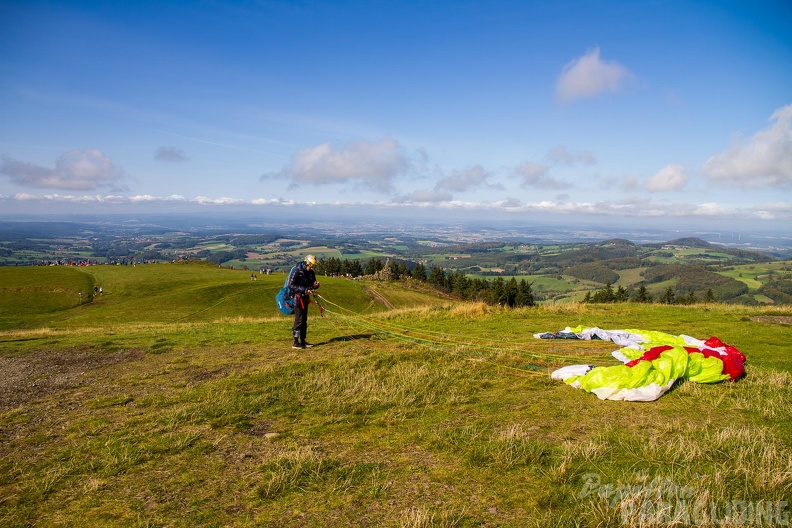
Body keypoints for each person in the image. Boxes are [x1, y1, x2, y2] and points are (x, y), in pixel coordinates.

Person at [288, 255, 320, 349]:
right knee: (299, 320)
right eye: (311, 265)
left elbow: (312, 284)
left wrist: (315, 285)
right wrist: (304, 289)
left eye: (313, 266)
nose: (312, 268)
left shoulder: (311, 273)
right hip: (297, 299)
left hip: (305, 299)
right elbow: (291, 285)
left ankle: (303, 341)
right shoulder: (297, 271)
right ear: (307, 263)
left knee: (304, 320)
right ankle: (295, 341)